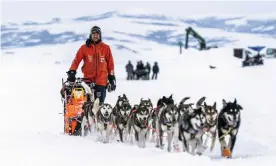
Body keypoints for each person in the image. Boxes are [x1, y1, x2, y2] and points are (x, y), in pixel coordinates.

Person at [64, 26, 116, 105]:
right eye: (94, 34)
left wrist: (111, 78)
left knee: (99, 106)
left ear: (100, 35)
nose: (95, 36)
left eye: (97, 34)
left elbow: (110, 65)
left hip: (101, 82)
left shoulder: (106, 48)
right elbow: (76, 60)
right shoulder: (84, 48)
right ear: (90, 35)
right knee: (85, 106)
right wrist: (72, 71)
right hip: (87, 82)